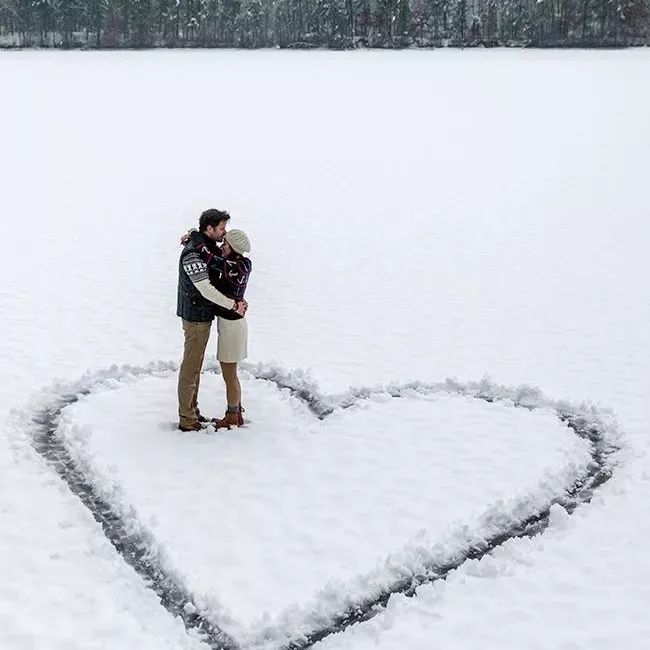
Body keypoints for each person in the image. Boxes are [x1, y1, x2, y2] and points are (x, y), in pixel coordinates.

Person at [177, 209, 246, 432]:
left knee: (195, 366)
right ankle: (187, 418)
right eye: (221, 229)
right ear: (209, 229)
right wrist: (233, 305)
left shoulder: (204, 245)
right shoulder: (193, 254)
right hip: (195, 316)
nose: (224, 235)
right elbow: (205, 289)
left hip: (202, 315)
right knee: (191, 367)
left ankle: (192, 411)